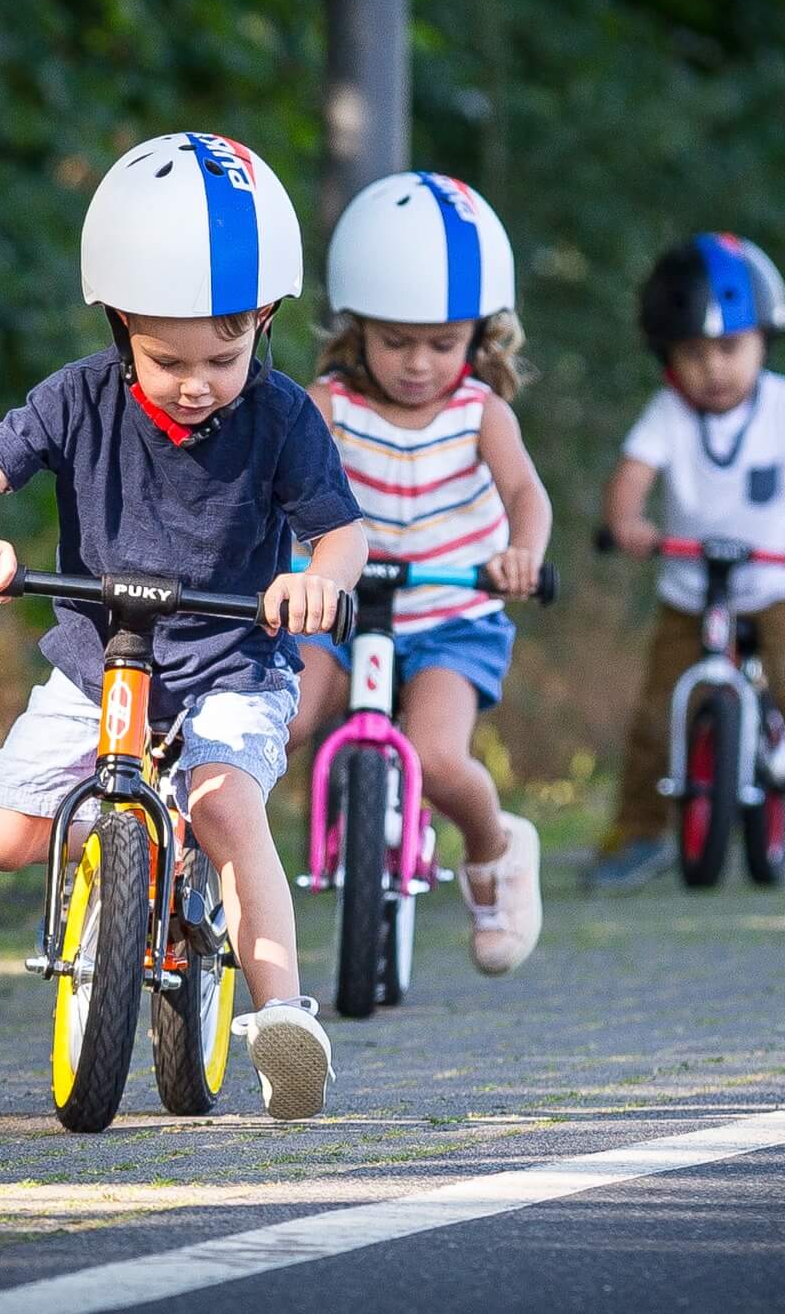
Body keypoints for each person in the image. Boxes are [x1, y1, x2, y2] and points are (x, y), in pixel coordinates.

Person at [0, 132, 368, 1120]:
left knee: (221, 807)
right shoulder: (77, 399)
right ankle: (122, 864)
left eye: (223, 354)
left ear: (263, 319)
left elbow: (340, 534)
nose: (196, 380)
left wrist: (314, 585)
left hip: (228, 665)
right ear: (119, 319)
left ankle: (283, 1020)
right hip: (99, 662)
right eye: (166, 357)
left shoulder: (282, 415)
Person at [285, 171, 553, 975]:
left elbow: (524, 494)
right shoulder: (324, 404)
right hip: (335, 605)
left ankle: (496, 852)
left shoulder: (482, 412)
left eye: (443, 343)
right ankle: (213, 881)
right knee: (284, 722)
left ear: (479, 336)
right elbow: (272, 486)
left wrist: (522, 554)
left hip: (449, 612)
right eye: (395, 341)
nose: (417, 364)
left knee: (436, 759)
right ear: (356, 328)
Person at [586, 233, 785, 891]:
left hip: (781, 584)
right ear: (668, 357)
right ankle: (639, 830)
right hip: (691, 588)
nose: (713, 367)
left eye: (729, 349)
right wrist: (627, 521)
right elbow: (630, 477)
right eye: (693, 352)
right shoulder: (668, 413)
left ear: (763, 343)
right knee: (659, 709)